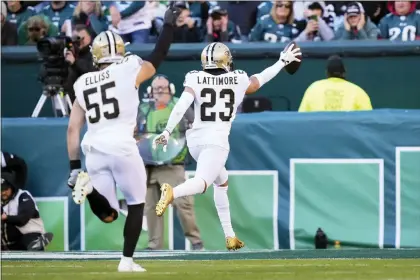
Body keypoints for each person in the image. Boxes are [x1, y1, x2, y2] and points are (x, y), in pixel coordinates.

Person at [152, 42, 301, 250]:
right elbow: (259, 80)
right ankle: (172, 193)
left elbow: (181, 105)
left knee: (222, 180)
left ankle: (230, 236)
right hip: (216, 141)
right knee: (202, 182)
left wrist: (167, 131)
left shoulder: (194, 77)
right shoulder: (238, 78)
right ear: (226, 59)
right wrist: (281, 62)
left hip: (195, 141)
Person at [66, 5, 181, 272]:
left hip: (94, 149)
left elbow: (73, 129)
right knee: (137, 203)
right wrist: (169, 27)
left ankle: (89, 188)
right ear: (120, 50)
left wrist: (73, 167)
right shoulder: (129, 66)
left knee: (108, 214)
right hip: (122, 146)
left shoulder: (83, 82)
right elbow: (158, 55)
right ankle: (126, 261)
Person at [298, 55, 372, 112]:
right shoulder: (358, 91)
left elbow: (301, 118)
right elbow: (368, 121)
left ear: (326, 72)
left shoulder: (313, 88)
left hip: (319, 131)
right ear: (344, 72)